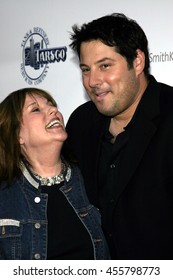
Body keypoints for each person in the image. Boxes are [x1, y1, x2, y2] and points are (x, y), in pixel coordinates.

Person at [63, 13, 173, 259]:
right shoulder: (81, 123)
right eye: (85, 69)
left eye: (105, 66)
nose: (92, 81)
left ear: (137, 61)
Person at [0, 87, 110, 260]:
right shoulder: (5, 198)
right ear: (16, 135)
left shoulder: (90, 176)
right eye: (36, 109)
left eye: (51, 105)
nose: (54, 110)